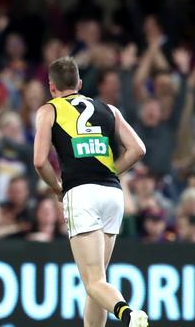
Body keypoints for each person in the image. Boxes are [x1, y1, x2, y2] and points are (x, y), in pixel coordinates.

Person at [33, 57, 148, 327]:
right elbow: (138, 149)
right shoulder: (109, 109)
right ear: (80, 83)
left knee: (93, 280)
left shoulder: (49, 110)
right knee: (98, 281)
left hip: (81, 193)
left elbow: (39, 161)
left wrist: (56, 188)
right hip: (112, 193)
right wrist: (111, 172)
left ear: (51, 87)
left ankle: (129, 314)